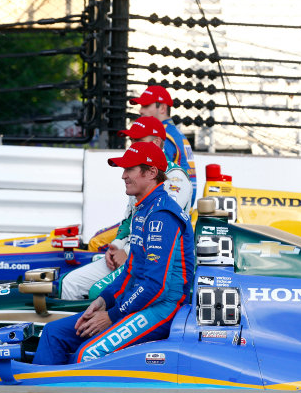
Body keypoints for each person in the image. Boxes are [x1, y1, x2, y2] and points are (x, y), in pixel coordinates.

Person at [33, 142, 195, 364]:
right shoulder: (143, 210)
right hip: (142, 301)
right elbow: (130, 271)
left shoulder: (162, 215)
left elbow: (156, 286)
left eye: (130, 169)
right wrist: (104, 299)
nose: (123, 176)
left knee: (86, 354)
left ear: (151, 172)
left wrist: (112, 316)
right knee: (54, 333)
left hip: (164, 307)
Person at [60, 116, 193, 300]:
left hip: (153, 260)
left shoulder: (175, 177)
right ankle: (81, 326)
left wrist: (128, 254)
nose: (131, 144)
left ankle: (101, 324)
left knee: (98, 293)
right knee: (69, 283)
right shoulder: (139, 176)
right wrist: (115, 246)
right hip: (129, 252)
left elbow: (159, 231)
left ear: (156, 142)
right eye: (131, 140)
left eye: (137, 140)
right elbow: (129, 219)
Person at [130, 85, 197, 203]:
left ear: (162, 108)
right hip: (180, 202)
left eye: (145, 105)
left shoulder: (163, 136)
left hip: (171, 205)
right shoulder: (175, 133)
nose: (141, 110)